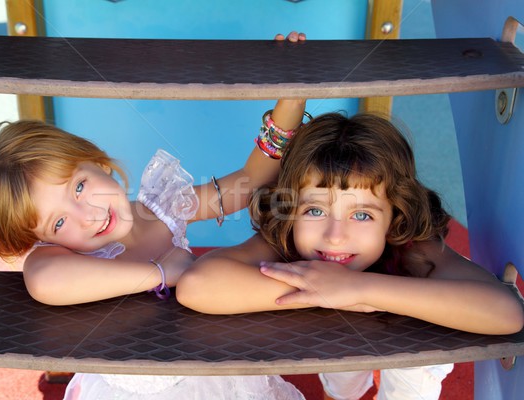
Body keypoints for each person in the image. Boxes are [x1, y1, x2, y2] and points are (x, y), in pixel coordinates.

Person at [0, 31, 311, 400]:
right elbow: (44, 281)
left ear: (97, 161)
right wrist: (163, 273)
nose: (87, 216)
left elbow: (248, 183)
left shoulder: (163, 205)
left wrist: (290, 103)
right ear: (44, 238)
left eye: (79, 187)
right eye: (58, 222)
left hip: (208, 375)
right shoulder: (62, 257)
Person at [176, 111, 524, 400]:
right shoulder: (287, 236)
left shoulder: (413, 247)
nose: (335, 236)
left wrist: (359, 288)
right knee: (340, 377)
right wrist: (326, 290)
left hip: (411, 344)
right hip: (334, 341)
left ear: (394, 215)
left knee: (410, 382)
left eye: (362, 215)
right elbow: (197, 285)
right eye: (314, 211)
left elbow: (507, 313)